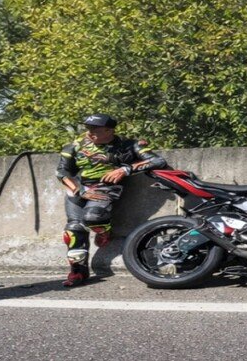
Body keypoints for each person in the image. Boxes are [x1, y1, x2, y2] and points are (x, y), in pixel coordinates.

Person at [56, 113, 166, 286]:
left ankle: (103, 231)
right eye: (88, 128)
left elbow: (158, 161)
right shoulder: (75, 146)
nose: (89, 133)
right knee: (73, 229)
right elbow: (61, 172)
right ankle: (78, 272)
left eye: (95, 129)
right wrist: (79, 190)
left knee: (93, 218)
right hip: (78, 188)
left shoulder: (129, 145)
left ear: (109, 130)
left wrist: (124, 170)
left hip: (106, 186)